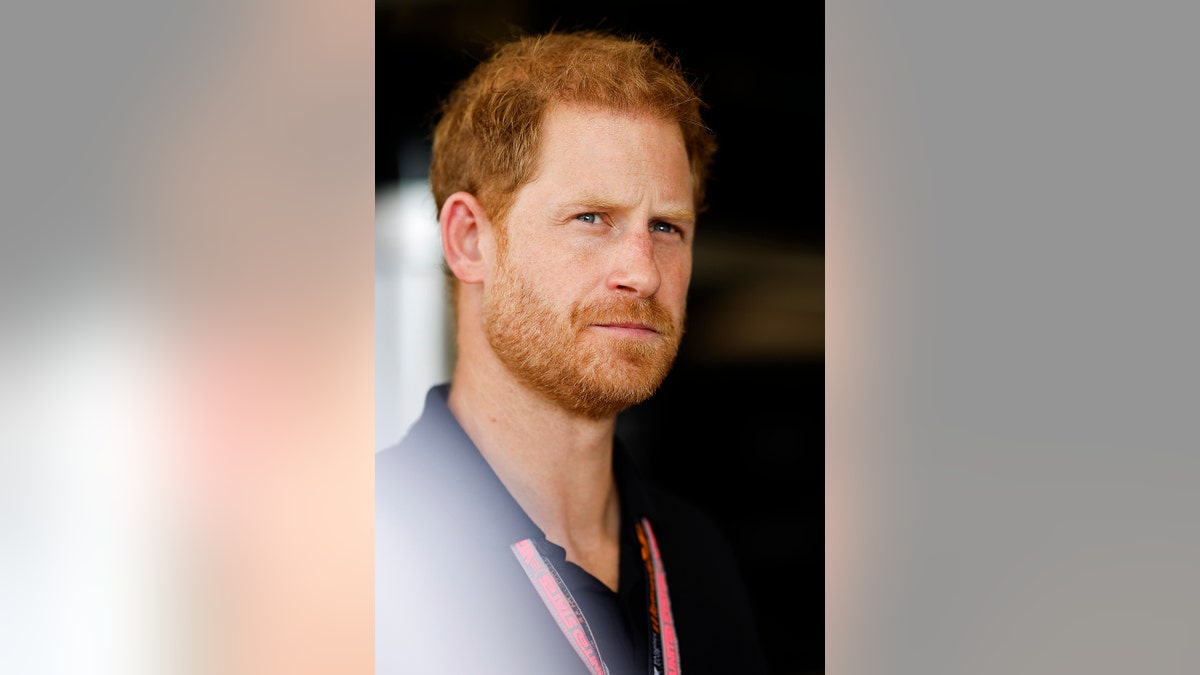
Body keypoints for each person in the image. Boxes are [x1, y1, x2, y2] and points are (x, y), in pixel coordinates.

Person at [376, 28, 770, 675]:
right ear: (470, 240)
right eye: (593, 218)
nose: (643, 272)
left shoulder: (700, 558)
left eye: (667, 227)